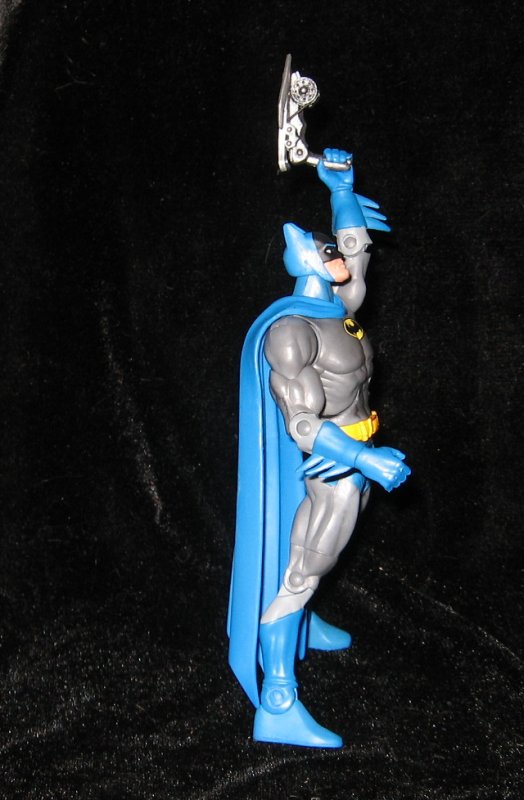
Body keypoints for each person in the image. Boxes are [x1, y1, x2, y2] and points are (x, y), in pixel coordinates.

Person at [228, 149, 411, 748]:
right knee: (303, 573)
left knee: (325, 559)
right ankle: (278, 702)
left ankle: (303, 626)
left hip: (358, 457)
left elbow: (359, 256)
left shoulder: (337, 311)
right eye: (327, 249)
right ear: (305, 257)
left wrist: (341, 191)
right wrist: (364, 459)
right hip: (334, 467)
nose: (342, 255)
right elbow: (303, 425)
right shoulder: (293, 331)